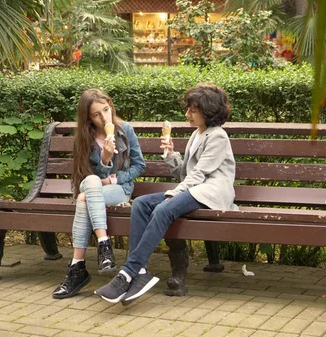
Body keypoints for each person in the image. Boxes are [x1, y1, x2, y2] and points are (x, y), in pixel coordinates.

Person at [95, 83, 237, 305]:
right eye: (188, 108)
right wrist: (171, 154)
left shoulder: (218, 136)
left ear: (208, 111)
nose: (187, 113)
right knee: (141, 203)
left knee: (163, 209)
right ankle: (139, 271)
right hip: (194, 190)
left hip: (212, 194)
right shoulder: (197, 134)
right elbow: (185, 174)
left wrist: (174, 194)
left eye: (193, 109)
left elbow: (199, 175)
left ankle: (127, 273)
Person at [53, 89, 146, 299]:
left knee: (83, 200)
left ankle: (78, 267)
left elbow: (140, 166)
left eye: (106, 110)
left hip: (119, 190)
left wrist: (113, 178)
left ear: (111, 105)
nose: (104, 117)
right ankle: (104, 245)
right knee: (92, 184)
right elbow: (87, 176)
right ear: (88, 118)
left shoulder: (125, 130)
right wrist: (104, 160)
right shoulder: (85, 138)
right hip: (92, 188)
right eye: (97, 114)